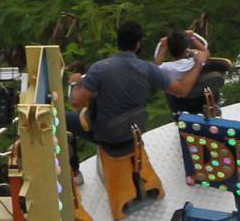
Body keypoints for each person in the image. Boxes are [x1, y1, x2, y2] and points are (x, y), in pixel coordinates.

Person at [70, 21, 205, 150]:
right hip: (134, 130)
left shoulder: (99, 68)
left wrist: (75, 82)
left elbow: (76, 103)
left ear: (118, 42)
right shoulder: (148, 69)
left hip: (108, 136)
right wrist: (198, 64)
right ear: (138, 45)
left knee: (62, 117)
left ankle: (73, 169)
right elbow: (182, 90)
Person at [155, 28, 210, 116]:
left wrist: (163, 46)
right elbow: (205, 51)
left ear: (169, 51)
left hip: (179, 104)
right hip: (198, 99)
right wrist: (192, 38)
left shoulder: (167, 67)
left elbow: (155, 67)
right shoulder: (196, 62)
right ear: (186, 48)